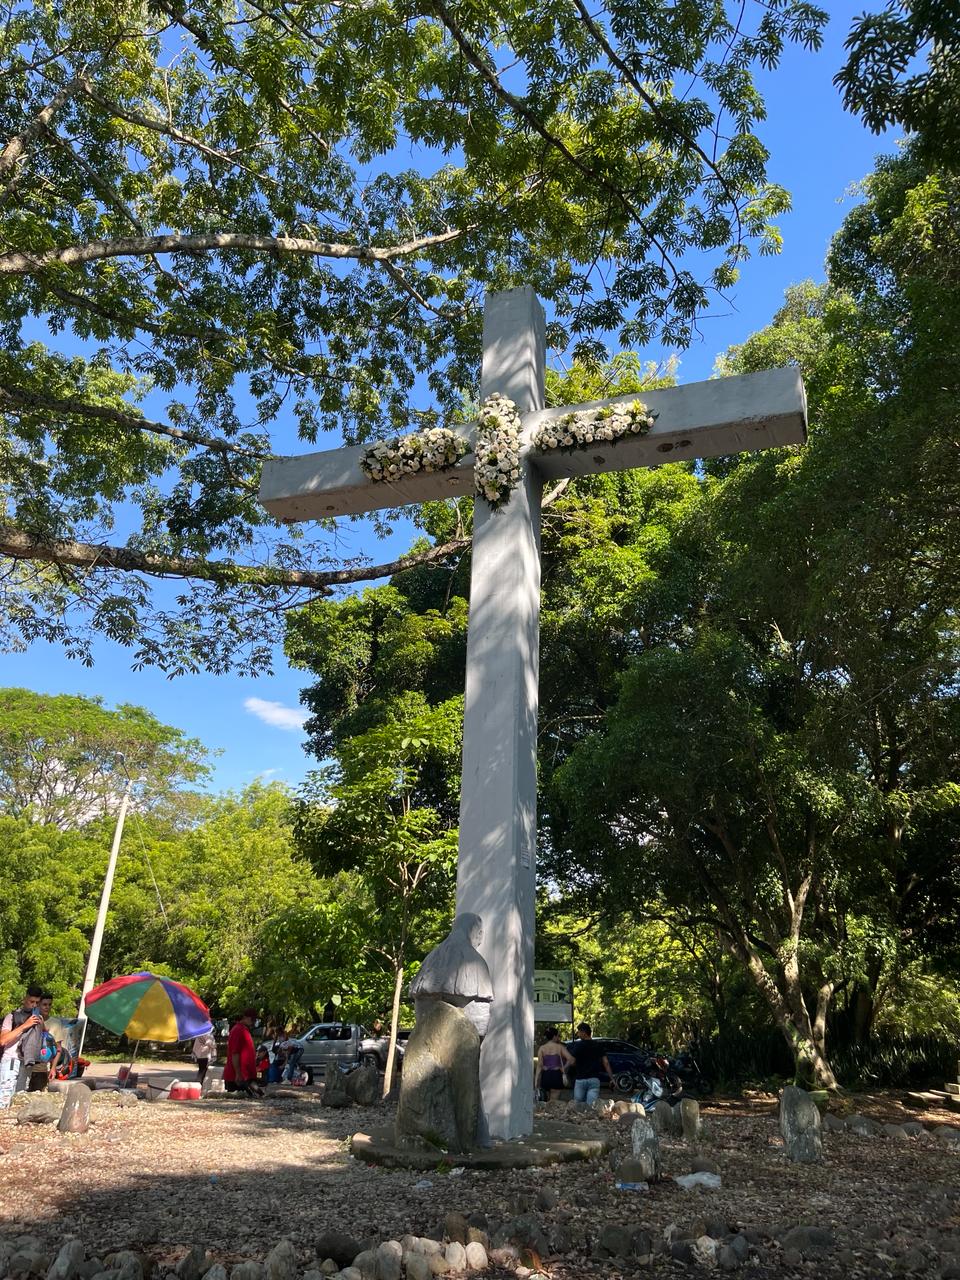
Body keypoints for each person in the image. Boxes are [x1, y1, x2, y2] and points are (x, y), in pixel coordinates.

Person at [0, 985, 44, 1109]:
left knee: (20, 1097)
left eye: (37, 1002)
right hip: (11, 1060)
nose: (34, 1005)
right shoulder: (12, 1016)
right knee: (5, 1096)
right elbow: (3, 1040)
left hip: (27, 1062)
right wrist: (25, 1025)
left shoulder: (38, 1018)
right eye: (31, 1001)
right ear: (25, 999)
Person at [566, 1022, 612, 1107]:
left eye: (579, 1032)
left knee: (578, 1105)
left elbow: (571, 1060)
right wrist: (611, 1078)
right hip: (594, 1079)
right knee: (591, 1106)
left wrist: (564, 1069)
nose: (578, 1034)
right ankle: (589, 1119)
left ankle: (579, 1120)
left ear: (584, 1032)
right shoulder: (598, 1045)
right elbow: (606, 1063)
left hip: (581, 1079)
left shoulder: (578, 1045)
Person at [223, 1008, 260, 1095]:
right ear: (246, 1017)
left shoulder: (244, 1030)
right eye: (253, 1019)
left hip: (246, 1075)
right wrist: (238, 1073)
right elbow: (235, 1053)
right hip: (238, 1077)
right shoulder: (239, 1030)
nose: (254, 1022)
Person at [535, 1026, 575, 1101]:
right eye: (557, 1036)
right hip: (556, 1075)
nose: (558, 1038)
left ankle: (545, 1112)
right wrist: (563, 1068)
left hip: (545, 1076)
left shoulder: (542, 1048)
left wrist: (536, 1081)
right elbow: (571, 1059)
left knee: (545, 1101)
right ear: (554, 1036)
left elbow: (539, 1065)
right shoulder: (560, 1047)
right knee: (554, 1102)